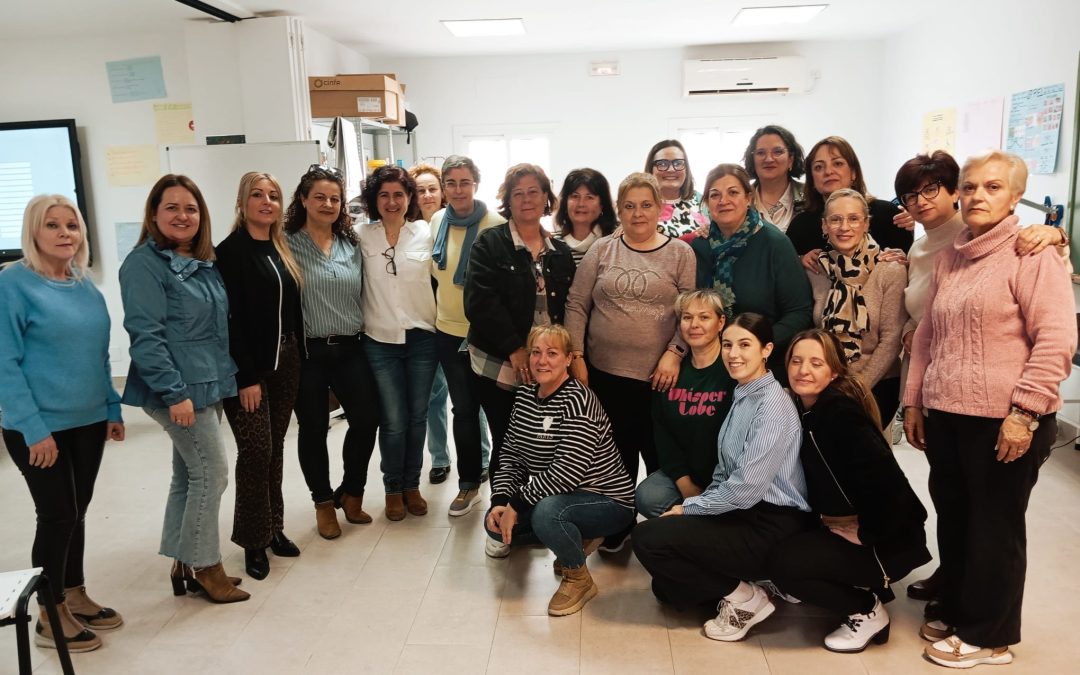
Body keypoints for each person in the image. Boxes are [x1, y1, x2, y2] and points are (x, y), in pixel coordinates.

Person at [903, 151, 1076, 669]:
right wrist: (914, 400)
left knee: (994, 526)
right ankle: (958, 606)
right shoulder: (953, 254)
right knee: (956, 517)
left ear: (1015, 196)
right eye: (972, 186)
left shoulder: (1033, 254)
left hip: (1004, 419)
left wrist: (1025, 412)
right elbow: (929, 334)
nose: (979, 196)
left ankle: (990, 634)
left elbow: (1057, 339)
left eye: (994, 187)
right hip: (948, 413)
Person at [632, 313, 810, 642]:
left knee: (647, 540)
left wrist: (689, 509)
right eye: (728, 345)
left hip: (771, 524)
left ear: (766, 349)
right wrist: (696, 510)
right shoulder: (743, 393)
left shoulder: (772, 405)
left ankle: (748, 599)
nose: (733, 354)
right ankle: (754, 581)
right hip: (744, 514)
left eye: (745, 345)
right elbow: (724, 471)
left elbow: (744, 490)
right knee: (667, 588)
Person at [0, 195, 125, 652]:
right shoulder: (12, 284)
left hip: (88, 420)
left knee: (78, 510)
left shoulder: (82, 282)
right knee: (57, 515)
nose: (64, 233)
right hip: (39, 426)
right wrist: (33, 428)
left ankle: (73, 592)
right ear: (33, 233)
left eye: (71, 225)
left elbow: (96, 354)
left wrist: (111, 406)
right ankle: (48, 614)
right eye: (52, 225)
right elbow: (4, 364)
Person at [120, 175, 248, 604]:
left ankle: (184, 560)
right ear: (154, 213)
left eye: (190, 208)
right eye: (172, 207)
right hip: (176, 389)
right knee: (212, 473)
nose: (182, 215)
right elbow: (146, 336)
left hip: (206, 382)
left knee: (187, 476)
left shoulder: (201, 261)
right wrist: (175, 395)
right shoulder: (143, 264)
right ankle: (206, 566)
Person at [766, 329, 930, 653]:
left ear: (834, 371)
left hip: (889, 542)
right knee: (783, 545)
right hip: (848, 524)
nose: (803, 370)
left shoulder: (839, 414)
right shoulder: (806, 410)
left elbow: (892, 485)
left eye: (816, 363)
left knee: (783, 566)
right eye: (796, 361)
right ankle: (857, 581)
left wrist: (868, 533)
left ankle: (865, 610)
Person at [565, 172, 696, 551]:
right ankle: (617, 526)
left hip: (661, 377)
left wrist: (675, 353)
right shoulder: (601, 249)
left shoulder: (679, 253)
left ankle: (664, 533)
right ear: (618, 210)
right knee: (614, 457)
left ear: (659, 208)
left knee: (660, 457)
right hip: (604, 374)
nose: (638, 213)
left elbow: (690, 313)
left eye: (646, 205)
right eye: (629, 206)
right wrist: (576, 354)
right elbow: (576, 303)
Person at [484, 325, 635, 616]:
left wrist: (518, 503)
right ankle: (573, 537)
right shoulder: (525, 396)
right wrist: (501, 501)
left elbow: (567, 472)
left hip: (607, 501)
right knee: (494, 527)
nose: (542, 361)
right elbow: (511, 457)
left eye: (552, 353)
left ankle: (578, 578)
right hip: (558, 497)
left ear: (568, 359)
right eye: (536, 353)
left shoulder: (580, 400)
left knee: (546, 513)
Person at [464, 164, 576, 486]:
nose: (526, 200)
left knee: (543, 442)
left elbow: (568, 310)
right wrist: (515, 348)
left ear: (546, 199)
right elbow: (480, 303)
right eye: (518, 193)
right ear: (508, 201)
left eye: (534, 192)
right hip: (499, 361)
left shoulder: (560, 253)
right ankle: (501, 512)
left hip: (545, 365)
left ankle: (532, 511)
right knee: (508, 441)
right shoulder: (489, 243)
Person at [216, 172, 304, 580]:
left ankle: (274, 529)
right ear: (242, 202)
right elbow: (229, 321)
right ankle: (253, 540)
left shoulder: (279, 247)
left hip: (286, 362)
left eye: (273, 195)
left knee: (275, 450)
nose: (266, 202)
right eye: (257, 195)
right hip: (249, 371)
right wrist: (246, 376)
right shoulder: (229, 253)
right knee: (254, 452)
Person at [285, 165, 381, 538]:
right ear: (304, 200)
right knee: (313, 428)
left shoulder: (351, 244)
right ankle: (323, 502)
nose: (328, 204)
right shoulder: (287, 243)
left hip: (350, 347)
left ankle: (351, 493)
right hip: (308, 353)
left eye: (335, 198)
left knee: (367, 419)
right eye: (320, 197)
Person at [359, 165, 438, 521]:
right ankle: (392, 488)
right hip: (380, 339)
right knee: (393, 419)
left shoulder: (425, 231)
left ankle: (412, 485)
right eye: (384, 195)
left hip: (422, 337)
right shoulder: (361, 235)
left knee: (418, 416)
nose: (392, 202)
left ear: (410, 199)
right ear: (375, 200)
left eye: (399, 195)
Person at [688, 163, 813, 385]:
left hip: (763, 366)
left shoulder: (775, 244)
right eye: (714, 195)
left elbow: (799, 312)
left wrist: (754, 344)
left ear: (748, 198)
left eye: (733, 192)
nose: (723, 200)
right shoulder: (700, 246)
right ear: (707, 203)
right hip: (709, 362)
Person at [430, 155, 505, 516]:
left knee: (497, 413)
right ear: (443, 187)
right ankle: (468, 485)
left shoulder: (496, 225)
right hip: (447, 332)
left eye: (465, 182)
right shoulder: (435, 221)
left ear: (476, 183)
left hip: (487, 336)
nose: (458, 190)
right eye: (451, 183)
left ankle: (505, 493)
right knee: (463, 411)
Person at [408, 162, 491, 484]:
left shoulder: (452, 223)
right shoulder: (414, 230)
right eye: (421, 190)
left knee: (468, 402)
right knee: (434, 398)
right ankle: (440, 458)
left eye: (432, 189)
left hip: (458, 326)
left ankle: (480, 459)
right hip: (427, 327)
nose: (427, 195)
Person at [807, 188, 907, 427]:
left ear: (866, 224)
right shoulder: (816, 270)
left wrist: (856, 386)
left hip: (877, 385)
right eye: (835, 219)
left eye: (853, 219)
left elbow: (892, 339)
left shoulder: (890, 268)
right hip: (827, 382)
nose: (844, 227)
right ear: (824, 226)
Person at [636, 290, 734, 518]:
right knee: (648, 497)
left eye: (704, 317)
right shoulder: (669, 372)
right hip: (687, 473)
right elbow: (663, 432)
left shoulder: (734, 368)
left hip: (726, 476)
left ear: (721, 323)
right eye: (687, 317)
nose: (694, 325)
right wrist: (685, 485)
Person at [787, 136, 912, 261]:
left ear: (853, 172)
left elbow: (909, 266)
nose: (828, 171)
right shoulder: (800, 227)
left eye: (838, 163)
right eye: (819, 167)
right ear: (812, 179)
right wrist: (800, 262)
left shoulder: (888, 215)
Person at [741, 125, 807, 232]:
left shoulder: (810, 196)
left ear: (790, 159)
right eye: (761, 153)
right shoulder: (740, 200)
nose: (768, 159)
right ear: (753, 160)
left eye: (777, 152)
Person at [553, 167, 618, 263]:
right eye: (575, 196)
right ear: (565, 203)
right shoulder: (552, 244)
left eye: (589, 197)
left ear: (602, 204)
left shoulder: (616, 240)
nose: (581, 204)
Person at [644, 139, 708, 237]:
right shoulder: (641, 204)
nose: (671, 169)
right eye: (662, 163)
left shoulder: (700, 200)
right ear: (651, 169)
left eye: (678, 163)